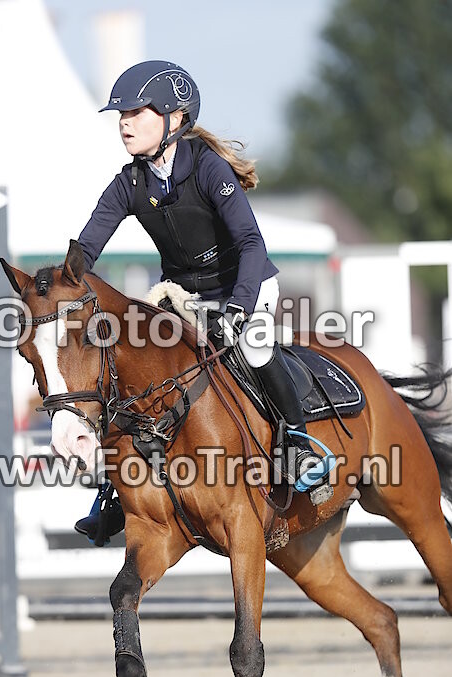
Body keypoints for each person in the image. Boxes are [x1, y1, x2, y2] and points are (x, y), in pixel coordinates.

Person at [75, 60, 333, 540]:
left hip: (245, 284)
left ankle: (296, 442)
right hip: (181, 298)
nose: (124, 123)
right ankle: (113, 493)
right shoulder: (129, 184)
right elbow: (87, 249)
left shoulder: (208, 167)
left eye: (135, 112)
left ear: (174, 118)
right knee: (136, 363)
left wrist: (238, 307)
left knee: (254, 346)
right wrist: (61, 282)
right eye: (121, 115)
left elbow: (253, 244)